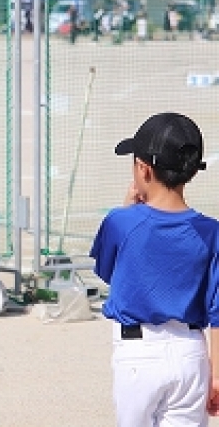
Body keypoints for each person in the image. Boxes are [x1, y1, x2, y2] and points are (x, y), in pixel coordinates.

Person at [90, 112, 219, 426]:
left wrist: (127, 207)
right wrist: (216, 373)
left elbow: (109, 272)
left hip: (138, 353)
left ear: (143, 169)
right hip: (191, 353)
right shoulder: (212, 232)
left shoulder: (120, 222)